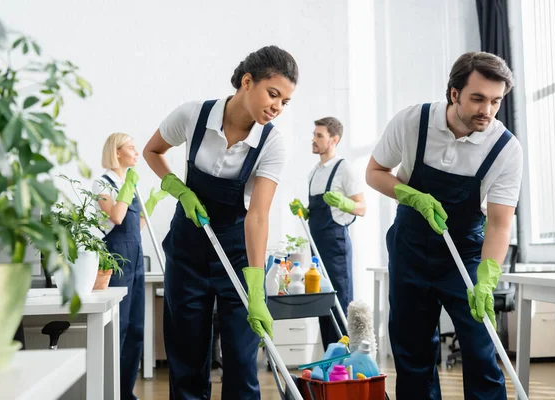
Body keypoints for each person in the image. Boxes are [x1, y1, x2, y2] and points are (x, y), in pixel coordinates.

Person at [143, 45, 298, 399]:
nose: (277, 107)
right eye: (273, 94)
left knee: (243, 365)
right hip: (187, 253)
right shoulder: (193, 116)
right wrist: (177, 188)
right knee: (187, 360)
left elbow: (258, 216)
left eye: (285, 102)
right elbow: (152, 151)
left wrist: (256, 291)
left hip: (238, 256)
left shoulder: (272, 144)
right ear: (247, 81)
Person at [365, 52, 523, 399]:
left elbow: (499, 224)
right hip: (410, 248)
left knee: (481, 348)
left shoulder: (505, 149)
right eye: (478, 98)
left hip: (464, 253)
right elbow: (374, 173)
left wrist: (488, 275)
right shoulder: (412, 122)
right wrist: (410, 195)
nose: (488, 110)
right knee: (412, 349)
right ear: (454, 93)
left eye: (496, 101)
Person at [94, 132, 168, 400]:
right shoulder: (101, 184)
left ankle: (125, 392)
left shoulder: (130, 183)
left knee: (136, 328)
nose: (137, 153)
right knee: (120, 326)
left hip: (135, 255)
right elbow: (115, 216)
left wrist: (151, 203)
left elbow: (134, 226)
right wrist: (126, 189)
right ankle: (109, 391)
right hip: (117, 258)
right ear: (117, 152)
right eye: (132, 149)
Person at [289, 117, 366, 350]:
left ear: (334, 140)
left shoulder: (344, 168)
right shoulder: (315, 172)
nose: (313, 139)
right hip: (317, 245)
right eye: (314, 134)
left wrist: (345, 203)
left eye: (319, 135)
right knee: (322, 301)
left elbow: (361, 207)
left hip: (336, 245)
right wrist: (305, 211)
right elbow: (318, 210)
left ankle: (345, 358)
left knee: (340, 302)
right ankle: (330, 355)